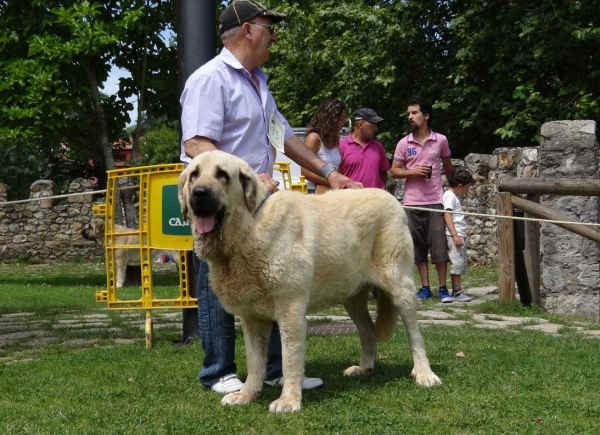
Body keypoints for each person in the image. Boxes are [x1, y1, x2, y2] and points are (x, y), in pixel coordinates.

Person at [179, 0, 360, 395]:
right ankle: (219, 371)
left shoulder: (259, 83)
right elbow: (197, 143)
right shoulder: (211, 79)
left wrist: (331, 173)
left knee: (273, 282)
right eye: (269, 26)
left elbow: (286, 139)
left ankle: (276, 370)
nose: (274, 35)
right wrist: (245, 173)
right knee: (219, 277)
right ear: (247, 30)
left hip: (258, 203)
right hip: (223, 197)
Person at [390, 97, 455, 303]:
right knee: (417, 247)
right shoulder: (403, 142)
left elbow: (448, 166)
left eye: (414, 113)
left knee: (439, 246)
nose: (410, 117)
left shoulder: (441, 140)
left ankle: (443, 288)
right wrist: (414, 172)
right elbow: (394, 171)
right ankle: (425, 287)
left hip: (435, 200)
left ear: (426, 116)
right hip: (411, 202)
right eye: (408, 113)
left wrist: (454, 185)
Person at [301, 99, 347, 194]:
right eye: (342, 118)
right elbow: (305, 172)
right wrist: (332, 179)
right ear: (332, 119)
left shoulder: (336, 139)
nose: (345, 121)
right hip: (312, 192)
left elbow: (338, 169)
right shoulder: (313, 138)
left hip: (330, 191)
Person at [338, 108, 390, 189]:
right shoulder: (341, 146)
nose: (376, 129)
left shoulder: (378, 146)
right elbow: (338, 175)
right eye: (372, 125)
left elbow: (383, 173)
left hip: (374, 198)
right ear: (360, 124)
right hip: (351, 198)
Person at [443, 169, 474, 302]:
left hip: (458, 234)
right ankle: (457, 291)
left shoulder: (452, 196)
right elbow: (447, 214)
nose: (467, 191)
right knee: (457, 263)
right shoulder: (450, 196)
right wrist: (455, 235)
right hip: (454, 235)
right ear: (460, 186)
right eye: (467, 188)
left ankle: (457, 289)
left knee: (460, 262)